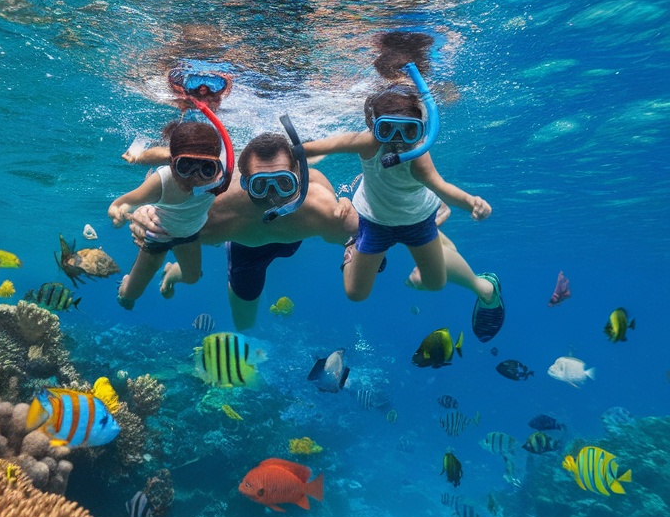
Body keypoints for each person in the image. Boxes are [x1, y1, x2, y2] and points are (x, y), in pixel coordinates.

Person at [302, 83, 505, 340]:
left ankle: (444, 255)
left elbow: (441, 186)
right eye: (387, 130)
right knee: (355, 294)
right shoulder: (368, 144)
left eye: (408, 131)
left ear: (419, 132)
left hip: (417, 222)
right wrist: (292, 151)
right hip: (375, 223)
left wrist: (471, 202)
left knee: (434, 283)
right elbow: (320, 147)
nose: (396, 141)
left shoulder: (418, 156)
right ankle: (351, 246)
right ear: (373, 126)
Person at [125, 129, 359, 331]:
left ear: (298, 178)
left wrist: (354, 247)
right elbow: (164, 190)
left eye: (284, 183)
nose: (272, 195)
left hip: (288, 242)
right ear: (245, 183)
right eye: (260, 185)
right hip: (246, 250)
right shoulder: (213, 204)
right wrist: (143, 212)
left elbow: (361, 237)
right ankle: (172, 274)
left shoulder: (320, 206)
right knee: (244, 324)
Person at [108, 120, 225, 309]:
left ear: (217, 165)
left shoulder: (221, 177)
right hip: (157, 236)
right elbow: (119, 204)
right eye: (185, 166)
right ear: (171, 163)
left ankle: (170, 273)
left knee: (192, 278)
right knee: (130, 295)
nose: (194, 178)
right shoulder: (161, 182)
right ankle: (125, 283)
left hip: (188, 235)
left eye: (206, 168)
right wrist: (118, 214)